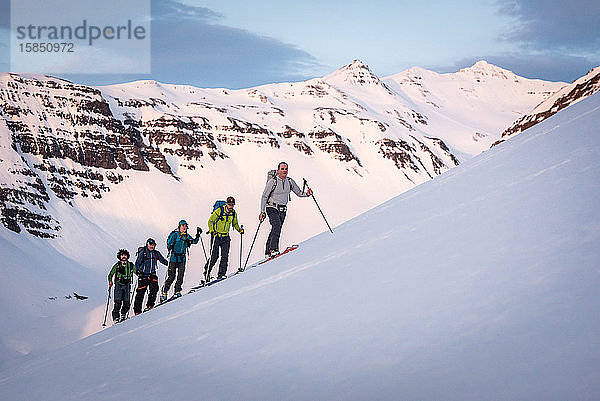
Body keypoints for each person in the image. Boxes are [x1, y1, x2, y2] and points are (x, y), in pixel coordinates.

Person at [259, 162, 312, 257]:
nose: (284, 171)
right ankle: (273, 249)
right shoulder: (273, 181)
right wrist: (262, 212)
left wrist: (307, 194)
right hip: (271, 207)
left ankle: (268, 252)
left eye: (286, 169)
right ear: (278, 170)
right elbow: (264, 196)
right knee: (277, 225)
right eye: (282, 169)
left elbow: (299, 193)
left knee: (276, 228)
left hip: (283, 209)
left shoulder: (290, 181)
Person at [205, 196, 244, 281]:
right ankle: (207, 271)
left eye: (232, 205)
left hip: (226, 237)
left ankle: (221, 274)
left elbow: (235, 224)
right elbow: (210, 221)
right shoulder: (219, 211)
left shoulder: (233, 213)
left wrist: (239, 230)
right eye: (229, 204)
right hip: (216, 236)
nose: (231, 206)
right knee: (214, 256)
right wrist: (212, 231)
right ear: (226, 204)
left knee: (225, 256)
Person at [161, 219, 200, 301]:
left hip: (182, 258)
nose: (185, 227)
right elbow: (168, 243)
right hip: (174, 258)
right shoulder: (175, 234)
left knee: (180, 276)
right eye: (183, 226)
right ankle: (164, 291)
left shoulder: (186, 236)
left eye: (186, 226)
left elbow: (194, 241)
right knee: (171, 276)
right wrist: (170, 246)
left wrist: (198, 235)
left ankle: (177, 290)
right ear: (179, 226)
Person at [134, 238, 168, 314]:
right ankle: (137, 311)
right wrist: (137, 271)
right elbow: (137, 263)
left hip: (152, 274)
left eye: (153, 245)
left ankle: (150, 305)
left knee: (154, 289)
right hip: (143, 275)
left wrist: (169, 264)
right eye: (150, 244)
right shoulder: (143, 252)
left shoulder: (156, 253)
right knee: (140, 293)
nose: (152, 246)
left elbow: (162, 260)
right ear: (147, 244)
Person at [107, 249, 134, 323]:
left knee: (126, 301)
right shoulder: (117, 265)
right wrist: (110, 281)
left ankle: (123, 315)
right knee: (118, 302)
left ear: (127, 256)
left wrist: (140, 275)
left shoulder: (131, 265)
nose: (124, 256)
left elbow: (136, 271)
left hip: (127, 284)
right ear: (119, 256)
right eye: (122, 255)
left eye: (125, 255)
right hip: (118, 284)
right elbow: (110, 274)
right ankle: (116, 318)